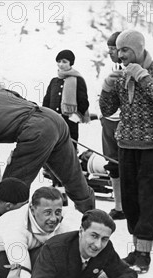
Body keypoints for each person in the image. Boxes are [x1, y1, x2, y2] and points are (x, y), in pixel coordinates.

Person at [0, 88, 96, 213]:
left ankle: (9, 232)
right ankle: (91, 215)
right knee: (73, 176)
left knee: (10, 192)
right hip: (54, 120)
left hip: (36, 133)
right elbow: (21, 105)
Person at [99, 30, 153, 273]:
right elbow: (107, 109)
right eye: (118, 50)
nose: (120, 55)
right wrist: (107, 88)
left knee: (149, 199)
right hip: (127, 145)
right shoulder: (121, 76)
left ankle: (144, 253)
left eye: (125, 50)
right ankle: (135, 249)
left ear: (139, 49)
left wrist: (143, 77)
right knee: (130, 201)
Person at [29, 209, 138, 278]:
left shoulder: (106, 248)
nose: (98, 245)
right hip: (29, 270)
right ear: (81, 231)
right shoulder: (54, 249)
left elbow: (128, 273)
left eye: (104, 239)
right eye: (94, 236)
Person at [0, 186, 67, 278]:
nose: (53, 218)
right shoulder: (15, 230)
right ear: (33, 210)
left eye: (57, 212)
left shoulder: (60, 216)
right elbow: (20, 273)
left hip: (26, 248)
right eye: (47, 213)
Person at [42, 49, 90, 205]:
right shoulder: (54, 81)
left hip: (69, 127)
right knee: (53, 157)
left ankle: (71, 191)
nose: (61, 64)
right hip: (54, 126)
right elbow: (47, 101)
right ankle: (58, 189)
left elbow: (83, 104)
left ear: (71, 64)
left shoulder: (77, 80)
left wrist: (73, 119)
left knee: (68, 159)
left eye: (65, 61)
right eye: (59, 61)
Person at [101, 32, 126, 220]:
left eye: (113, 49)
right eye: (109, 49)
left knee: (128, 163)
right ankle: (118, 206)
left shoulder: (131, 69)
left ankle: (129, 205)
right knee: (113, 164)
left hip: (123, 123)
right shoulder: (109, 68)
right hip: (108, 122)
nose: (110, 52)